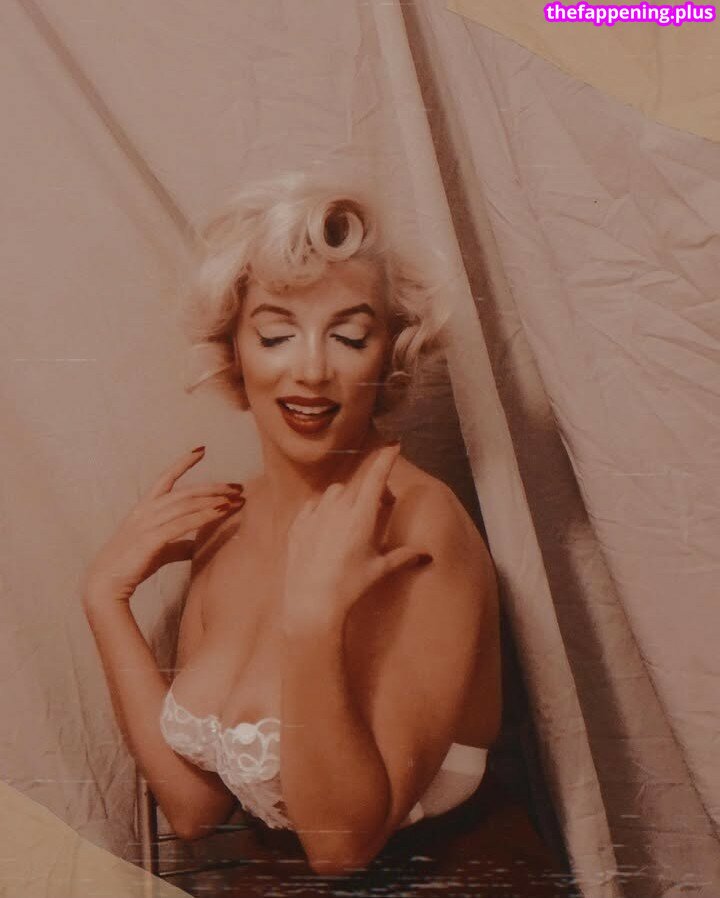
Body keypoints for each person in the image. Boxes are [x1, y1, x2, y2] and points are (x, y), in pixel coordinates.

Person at [82, 170, 502, 880]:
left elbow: (341, 848)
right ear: (235, 350)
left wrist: (312, 621)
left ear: (389, 354)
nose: (311, 370)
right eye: (277, 334)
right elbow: (193, 807)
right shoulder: (227, 522)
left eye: (349, 336)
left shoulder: (420, 524)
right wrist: (104, 599)